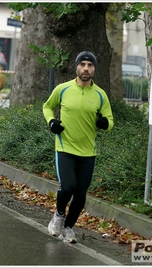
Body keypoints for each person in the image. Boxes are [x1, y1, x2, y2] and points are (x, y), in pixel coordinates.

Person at [42, 51, 114, 243]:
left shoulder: (100, 95)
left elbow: (110, 120)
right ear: (76, 67)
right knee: (68, 187)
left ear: (94, 69)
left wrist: (104, 124)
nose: (86, 68)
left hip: (88, 151)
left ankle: (68, 228)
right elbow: (47, 106)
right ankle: (58, 216)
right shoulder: (63, 89)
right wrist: (51, 122)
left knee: (81, 195)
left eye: (90, 66)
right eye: (82, 64)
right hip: (65, 147)